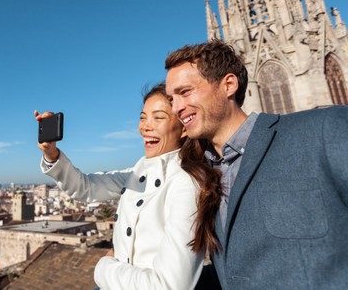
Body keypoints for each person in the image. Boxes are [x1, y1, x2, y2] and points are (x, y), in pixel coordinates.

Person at [164, 40, 348, 289]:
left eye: (185, 92)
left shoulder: (323, 129)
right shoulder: (201, 176)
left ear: (228, 85)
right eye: (171, 98)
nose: (176, 107)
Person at [34, 83, 221, 290]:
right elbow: (85, 187)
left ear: (184, 129)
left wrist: (103, 268)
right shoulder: (139, 170)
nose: (145, 126)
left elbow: (169, 285)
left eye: (158, 117)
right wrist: (51, 154)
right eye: (143, 117)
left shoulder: (187, 182)